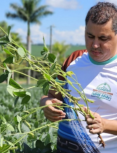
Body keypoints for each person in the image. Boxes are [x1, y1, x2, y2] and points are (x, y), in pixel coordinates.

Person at [40, 2, 117, 153]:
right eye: (90, 36)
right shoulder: (73, 60)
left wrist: (105, 124)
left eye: (103, 38)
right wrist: (46, 104)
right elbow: (51, 95)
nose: (95, 44)